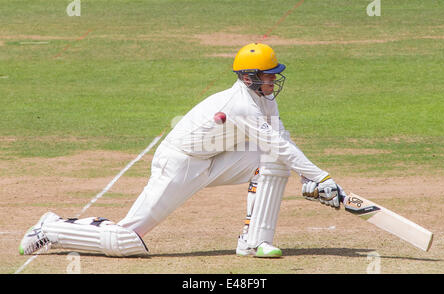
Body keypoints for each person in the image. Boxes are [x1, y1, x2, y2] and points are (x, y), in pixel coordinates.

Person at [19, 43, 346, 258]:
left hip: (216, 159)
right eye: (268, 76)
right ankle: (51, 228)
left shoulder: (265, 98)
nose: (273, 82)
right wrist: (323, 177)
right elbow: (279, 143)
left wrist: (313, 178)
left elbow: (279, 140)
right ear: (248, 77)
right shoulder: (240, 104)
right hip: (181, 164)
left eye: (275, 76)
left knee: (273, 161)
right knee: (126, 241)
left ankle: (253, 242)